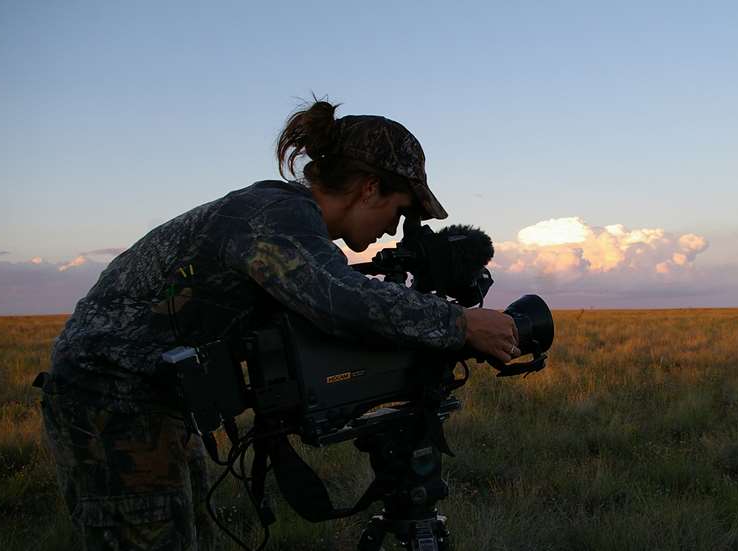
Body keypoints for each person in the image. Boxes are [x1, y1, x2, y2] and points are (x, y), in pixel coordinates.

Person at [38, 100, 520, 550]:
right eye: (398, 210)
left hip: (150, 400)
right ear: (369, 187)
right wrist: (460, 322)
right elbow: (339, 301)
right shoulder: (275, 215)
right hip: (112, 400)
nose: (394, 229)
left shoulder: (293, 225)